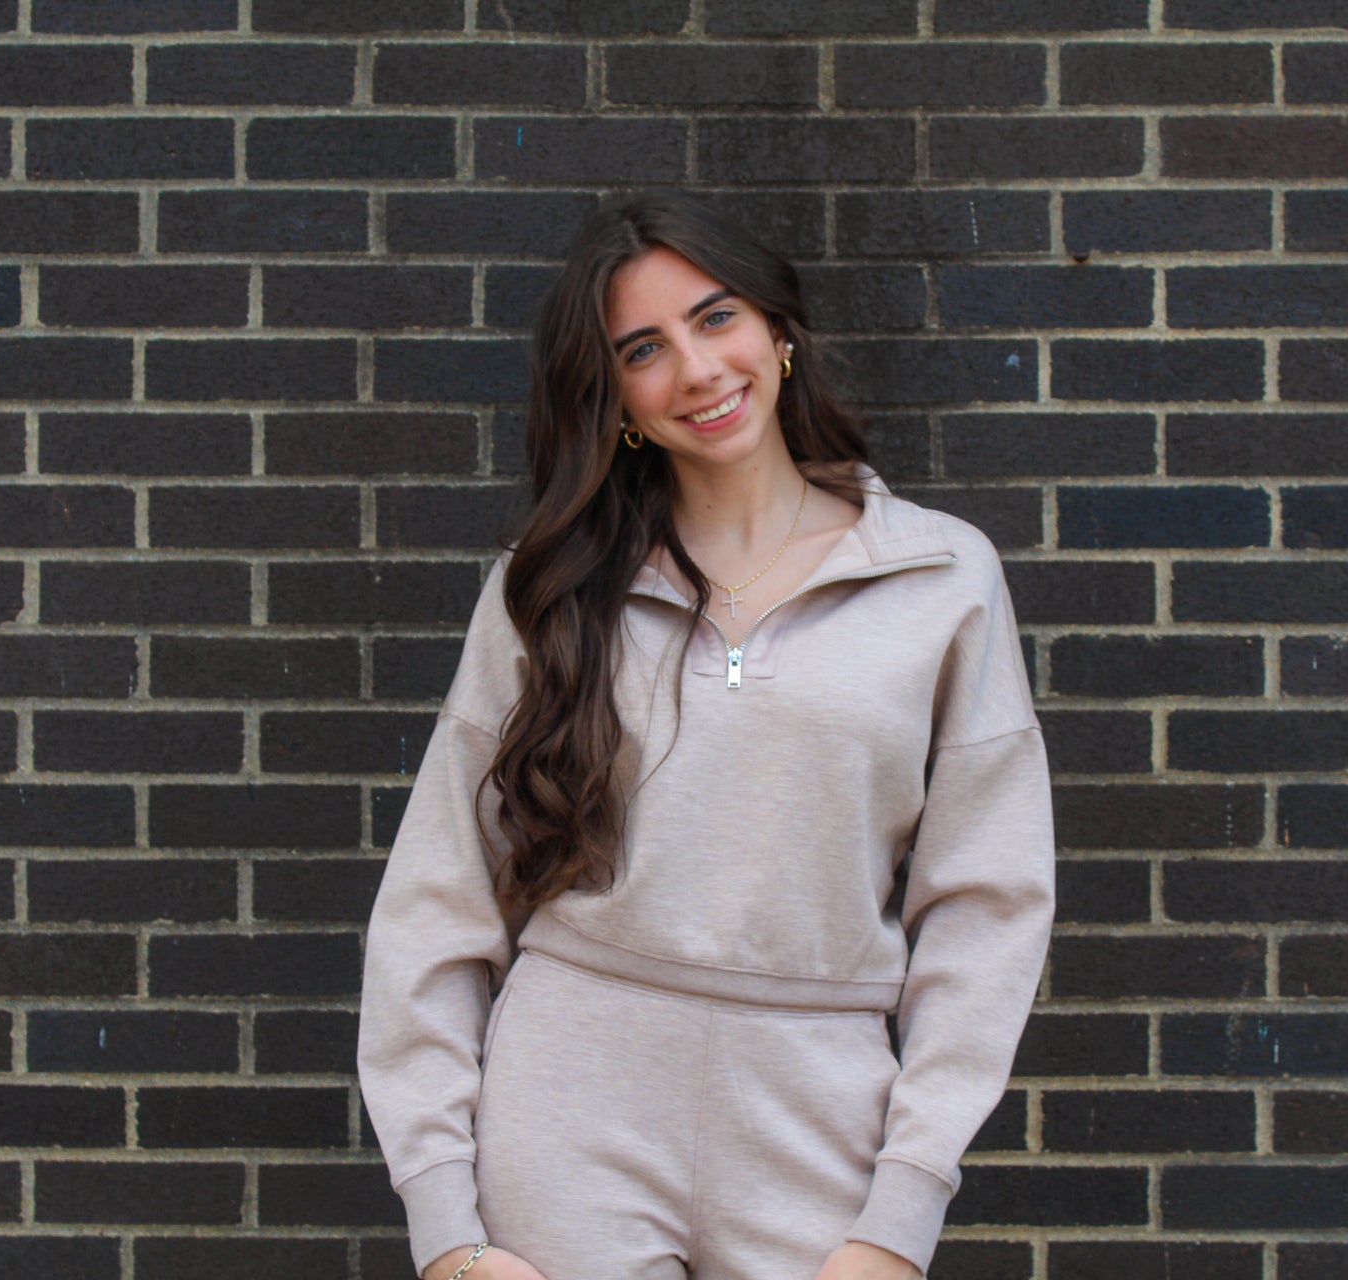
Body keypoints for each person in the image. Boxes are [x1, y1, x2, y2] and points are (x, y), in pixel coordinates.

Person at [357, 189, 1056, 1280]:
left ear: (778, 331)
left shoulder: (941, 575)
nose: (696, 369)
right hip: (568, 1106)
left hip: (820, 1117)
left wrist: (903, 1211)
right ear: (619, 399)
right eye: (644, 349)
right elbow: (437, 895)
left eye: (716, 317)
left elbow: (988, 908)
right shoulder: (549, 588)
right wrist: (447, 1227)